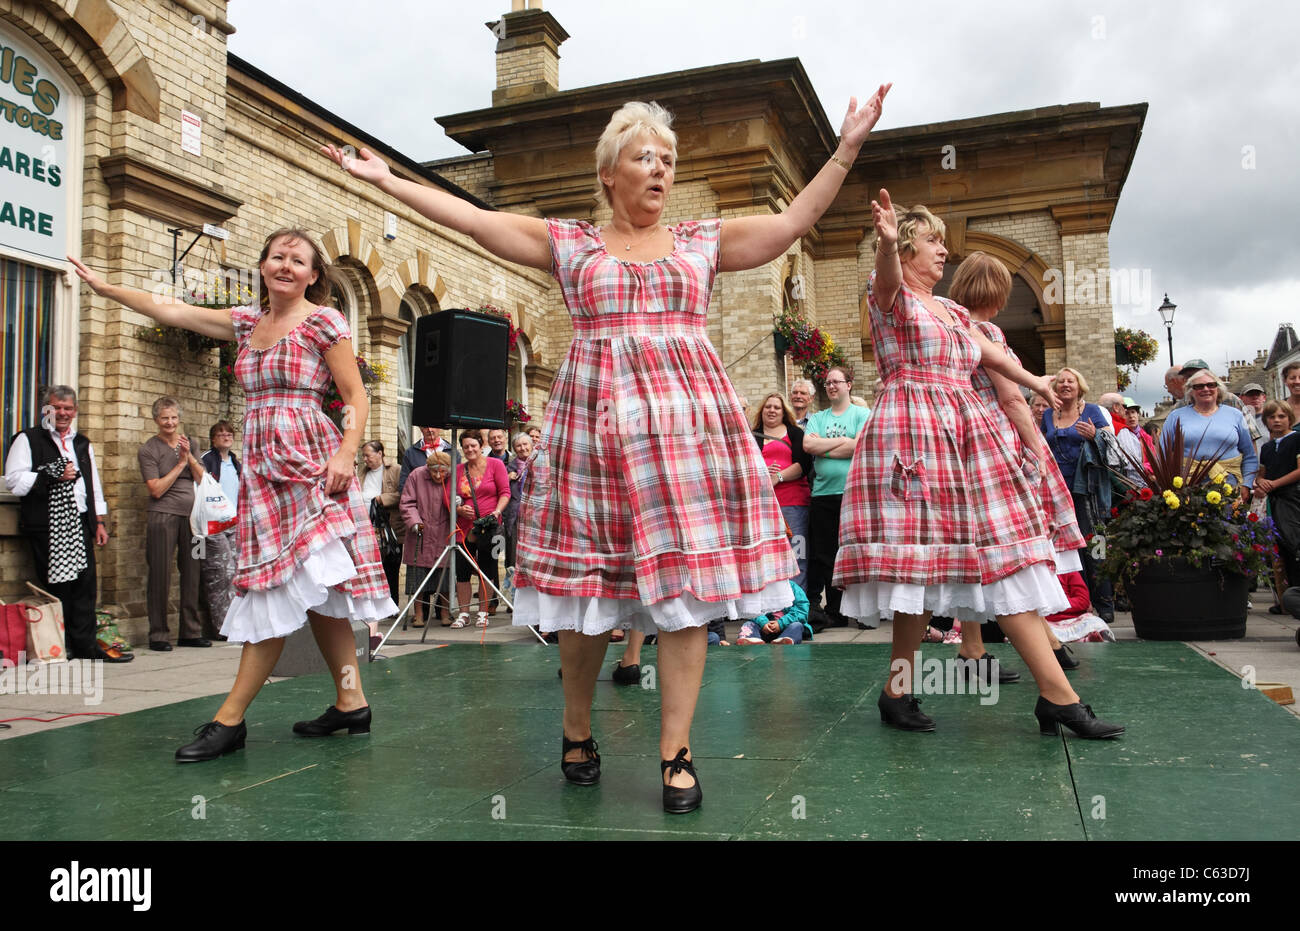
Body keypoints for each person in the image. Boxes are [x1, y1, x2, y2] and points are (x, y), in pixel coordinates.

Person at [325, 84, 892, 812]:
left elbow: (791, 223)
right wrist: (388, 180)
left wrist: (846, 147)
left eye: (668, 158)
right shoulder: (571, 244)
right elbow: (472, 217)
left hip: (687, 440)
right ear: (608, 172)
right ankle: (575, 726)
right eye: (643, 156)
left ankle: (676, 749)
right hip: (593, 440)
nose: (659, 168)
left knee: (687, 596)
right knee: (584, 592)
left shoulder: (700, 242)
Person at [69, 228, 396, 762]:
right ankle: (351, 701)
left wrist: (346, 454)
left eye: (298, 260)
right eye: (276, 257)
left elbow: (355, 395)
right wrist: (107, 288)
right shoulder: (247, 322)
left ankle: (230, 719)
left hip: (310, 461)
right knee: (314, 588)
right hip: (265, 469)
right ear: (263, 266)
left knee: (274, 587)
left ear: (313, 275)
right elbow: (170, 309)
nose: (285, 265)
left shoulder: (324, 322)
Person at [834, 191, 1121, 739]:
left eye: (943, 241)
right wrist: (889, 246)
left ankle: (901, 692)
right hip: (913, 433)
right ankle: (1056, 699)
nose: (944, 251)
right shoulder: (889, 293)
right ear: (907, 246)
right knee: (933, 567)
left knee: (992, 556)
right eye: (933, 242)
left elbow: (987, 354)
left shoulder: (952, 309)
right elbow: (889, 281)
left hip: (965, 431)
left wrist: (1037, 382)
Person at [946, 251, 1088, 681]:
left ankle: (973, 650)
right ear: (1000, 292)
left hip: (955, 447)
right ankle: (1047, 643)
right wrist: (1035, 449)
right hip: (994, 446)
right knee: (1016, 547)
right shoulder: (986, 331)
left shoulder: (947, 325)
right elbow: (1010, 398)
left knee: (970, 549)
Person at [4, 386, 132, 663]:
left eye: (67, 408)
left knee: (85, 587)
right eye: (56, 407)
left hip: (81, 522)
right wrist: (52, 475)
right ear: (45, 410)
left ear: (74, 411)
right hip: (48, 525)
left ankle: (86, 647)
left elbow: (92, 485)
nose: (62, 413)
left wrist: (98, 521)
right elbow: (13, 481)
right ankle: (60, 646)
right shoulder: (28, 439)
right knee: (58, 588)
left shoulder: (82, 443)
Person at [1042, 366, 1115, 622]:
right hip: (1058, 492)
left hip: (1089, 490)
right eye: (1060, 381)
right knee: (1069, 549)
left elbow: (1111, 444)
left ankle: (1105, 602)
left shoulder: (1093, 411)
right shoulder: (1049, 414)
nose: (1065, 385)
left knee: (1096, 545)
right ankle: (1080, 603)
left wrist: (1096, 435)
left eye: (1070, 381)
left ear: (1079, 385)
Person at [803, 365, 870, 631]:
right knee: (825, 555)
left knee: (854, 552)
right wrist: (844, 441)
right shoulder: (818, 417)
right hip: (822, 495)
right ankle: (834, 611)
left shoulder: (862, 414)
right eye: (828, 382)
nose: (831, 386)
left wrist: (826, 447)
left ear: (848, 385)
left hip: (852, 494)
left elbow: (860, 445)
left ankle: (862, 611)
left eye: (836, 382)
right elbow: (808, 446)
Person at [138, 397, 207, 651]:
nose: (170, 423)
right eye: (165, 418)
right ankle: (158, 634)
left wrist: (188, 457)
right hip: (162, 517)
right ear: (156, 420)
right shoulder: (148, 450)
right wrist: (179, 464)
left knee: (193, 572)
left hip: (193, 519)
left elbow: (202, 479)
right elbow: (156, 489)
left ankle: (190, 631)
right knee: (160, 574)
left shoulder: (191, 443)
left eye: (174, 418)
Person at [752, 392, 812, 589]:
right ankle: (771, 610)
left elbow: (801, 465)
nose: (772, 410)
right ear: (761, 411)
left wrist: (777, 477)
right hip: (764, 505)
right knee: (767, 557)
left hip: (793, 503)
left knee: (797, 554)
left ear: (783, 412)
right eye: (768, 407)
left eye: (776, 407)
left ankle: (796, 604)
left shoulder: (795, 433)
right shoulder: (752, 436)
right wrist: (762, 473)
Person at [1162, 369, 1257, 491]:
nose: (1206, 389)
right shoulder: (1175, 417)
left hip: (1230, 485)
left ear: (1218, 388)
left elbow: (1249, 455)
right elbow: (1163, 455)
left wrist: (1246, 485)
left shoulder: (1236, 415)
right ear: (1191, 391)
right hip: (1188, 487)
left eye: (1211, 385)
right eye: (1199, 386)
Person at [450, 431, 509, 624]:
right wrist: (458, 509)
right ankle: (464, 614)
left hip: (488, 527)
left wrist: (497, 512)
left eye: (473, 445)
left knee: (487, 570)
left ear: (481, 445)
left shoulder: (495, 465)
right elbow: (447, 497)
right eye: (466, 446)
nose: (470, 449)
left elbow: (505, 492)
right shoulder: (458, 469)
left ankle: (483, 613)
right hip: (464, 528)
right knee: (462, 571)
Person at [199, 421, 242, 641]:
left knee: (235, 574)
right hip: (214, 524)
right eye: (220, 434)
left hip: (233, 523)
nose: (225, 436)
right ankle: (221, 627)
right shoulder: (207, 459)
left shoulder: (235, 462)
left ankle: (234, 624)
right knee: (220, 575)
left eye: (228, 433)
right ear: (213, 439)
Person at [400, 450, 453, 626]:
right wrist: (414, 521)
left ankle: (445, 613)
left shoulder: (452, 477)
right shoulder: (416, 475)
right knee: (417, 577)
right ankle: (419, 615)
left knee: (444, 576)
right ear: (428, 468)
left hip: (444, 531)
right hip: (421, 532)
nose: (438, 475)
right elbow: (407, 502)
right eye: (434, 471)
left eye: (442, 472)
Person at [357, 440, 405, 604]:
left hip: (389, 526)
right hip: (366, 526)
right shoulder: (362, 472)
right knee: (372, 565)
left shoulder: (395, 470)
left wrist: (381, 499)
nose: (365, 459)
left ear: (380, 454)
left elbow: (403, 494)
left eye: (368, 455)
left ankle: (392, 602)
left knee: (391, 565)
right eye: (363, 455)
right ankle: (376, 602)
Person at [736, 579, 811, 644]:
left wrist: (781, 623)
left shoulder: (793, 587)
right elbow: (752, 609)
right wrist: (763, 622)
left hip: (787, 626)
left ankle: (786, 639)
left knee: (797, 626)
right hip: (764, 628)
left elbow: (802, 610)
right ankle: (750, 638)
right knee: (749, 624)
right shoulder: (759, 588)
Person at [502, 431, 534, 572]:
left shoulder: (541, 464)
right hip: (515, 516)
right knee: (514, 558)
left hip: (535, 516)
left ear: (532, 445)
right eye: (518, 446)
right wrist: (506, 479)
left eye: (525, 444)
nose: (522, 448)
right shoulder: (508, 469)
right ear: (514, 449)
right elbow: (500, 490)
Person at [399, 425, 451, 494]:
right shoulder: (410, 453)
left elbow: (458, 483)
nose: (429, 429)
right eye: (425, 426)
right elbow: (404, 486)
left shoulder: (452, 452)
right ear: (420, 428)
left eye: (433, 425)